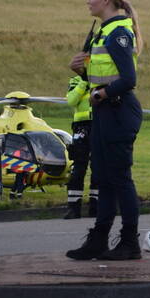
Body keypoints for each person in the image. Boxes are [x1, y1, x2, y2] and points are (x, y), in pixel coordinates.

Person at [66, 0, 143, 261]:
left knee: (120, 178)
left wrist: (103, 94)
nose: (88, 0)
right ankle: (99, 240)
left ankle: (130, 243)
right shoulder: (103, 32)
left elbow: (128, 79)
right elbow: (101, 75)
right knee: (103, 178)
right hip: (104, 112)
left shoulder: (118, 34)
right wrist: (80, 72)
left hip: (118, 111)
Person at [63, 72, 98, 219]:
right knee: (78, 167)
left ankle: (96, 207)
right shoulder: (76, 80)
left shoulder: (101, 80)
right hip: (81, 128)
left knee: (99, 167)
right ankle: (73, 208)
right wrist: (84, 82)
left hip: (100, 125)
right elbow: (71, 100)